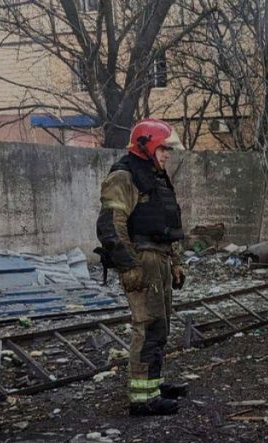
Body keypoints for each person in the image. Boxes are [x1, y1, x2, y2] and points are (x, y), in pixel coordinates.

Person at [96, 119, 189, 416]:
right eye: (163, 148)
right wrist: (129, 266)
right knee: (147, 327)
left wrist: (176, 262)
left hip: (159, 258)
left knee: (160, 327)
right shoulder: (124, 176)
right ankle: (142, 398)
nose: (167, 155)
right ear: (147, 145)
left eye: (168, 151)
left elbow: (166, 225)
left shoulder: (155, 176)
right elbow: (111, 225)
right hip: (143, 260)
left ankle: (153, 385)